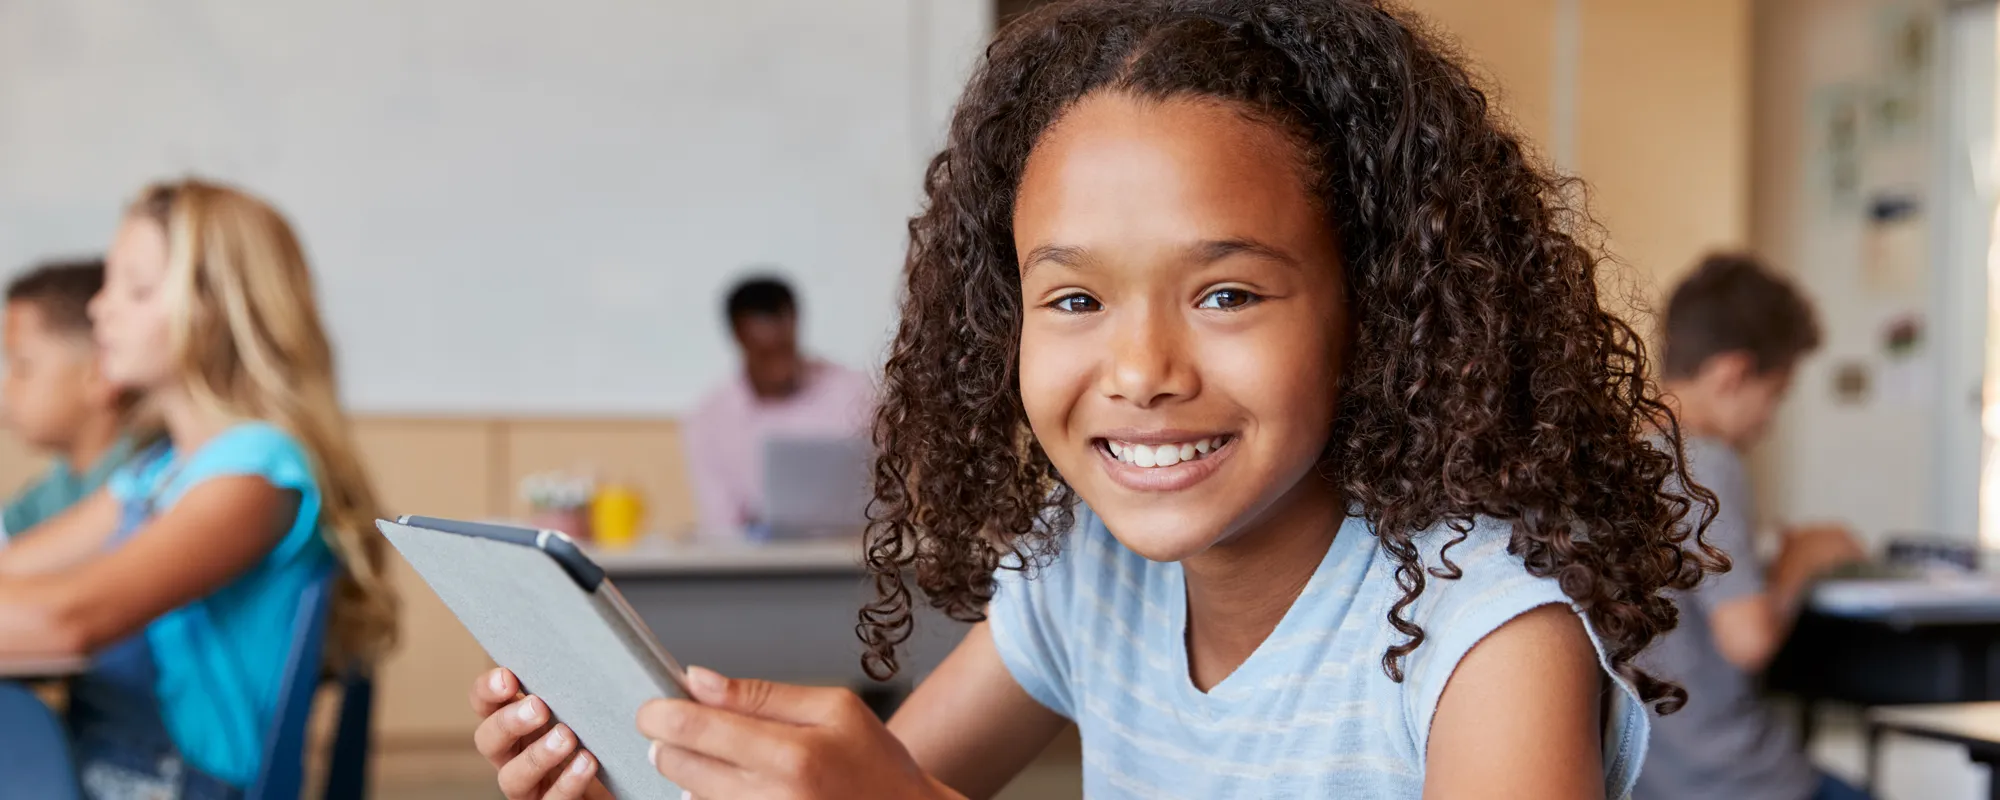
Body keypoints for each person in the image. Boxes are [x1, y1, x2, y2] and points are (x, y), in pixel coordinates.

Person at [467, 1, 1721, 797]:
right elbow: (886, 780)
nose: (1139, 370)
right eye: (1072, 302)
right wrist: (655, 772)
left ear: (1377, 314)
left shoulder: (1487, 641)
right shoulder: (1086, 574)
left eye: (1226, 293)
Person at [0, 179, 398, 798]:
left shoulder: (257, 474)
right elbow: (13, 570)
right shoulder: (155, 473)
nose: (101, 309)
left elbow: (68, 619)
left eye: (135, 289)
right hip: (103, 767)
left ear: (213, 310)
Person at [1637, 253, 1870, 800]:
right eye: (1775, 397)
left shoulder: (1623, 450)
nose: (1767, 423)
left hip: (1648, 778)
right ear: (1732, 374)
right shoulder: (1704, 461)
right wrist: (1801, 560)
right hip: (1728, 781)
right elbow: (1748, 639)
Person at [682, 275, 873, 539]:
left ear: (795, 325)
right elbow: (722, 528)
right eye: (765, 354)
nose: (778, 366)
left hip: (850, 557)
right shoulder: (710, 420)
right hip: (761, 571)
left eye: (784, 350)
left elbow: (886, 497)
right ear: (738, 337)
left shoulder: (856, 392)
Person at [1, 259, 137, 538]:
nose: (6, 389)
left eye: (23, 367)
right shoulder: (58, 486)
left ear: (99, 374)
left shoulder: (138, 480)